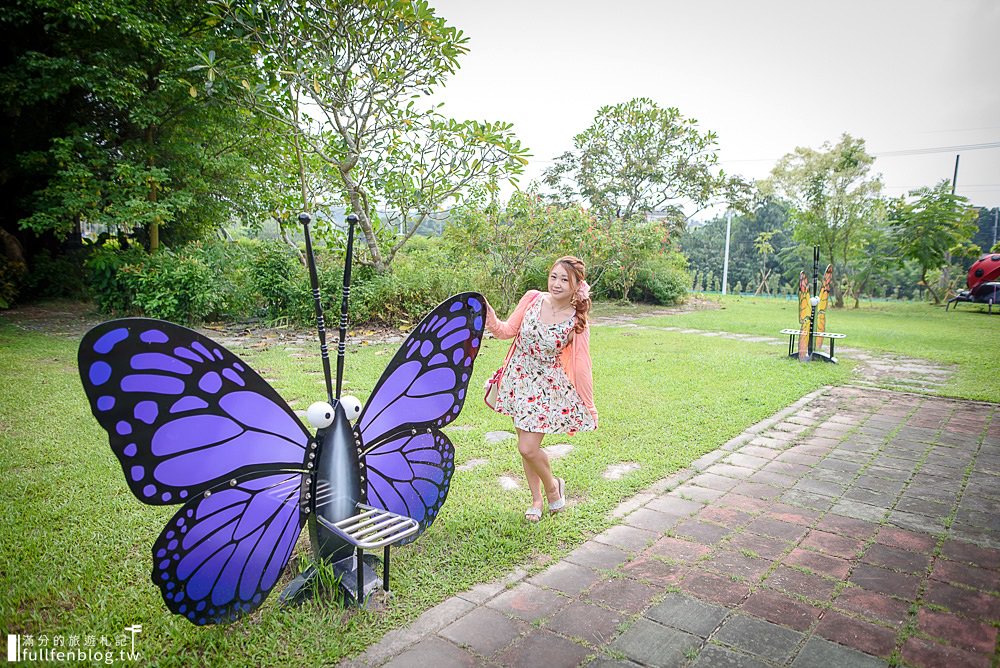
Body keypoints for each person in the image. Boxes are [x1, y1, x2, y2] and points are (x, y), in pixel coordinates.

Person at [485, 256, 599, 522]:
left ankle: (552, 487)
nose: (556, 284)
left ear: (576, 286)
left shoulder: (577, 321)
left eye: (564, 280)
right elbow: (505, 331)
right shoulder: (533, 298)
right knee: (525, 447)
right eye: (553, 277)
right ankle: (537, 499)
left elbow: (582, 365)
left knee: (528, 447)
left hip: (546, 388)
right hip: (517, 380)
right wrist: (489, 314)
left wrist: (588, 405)